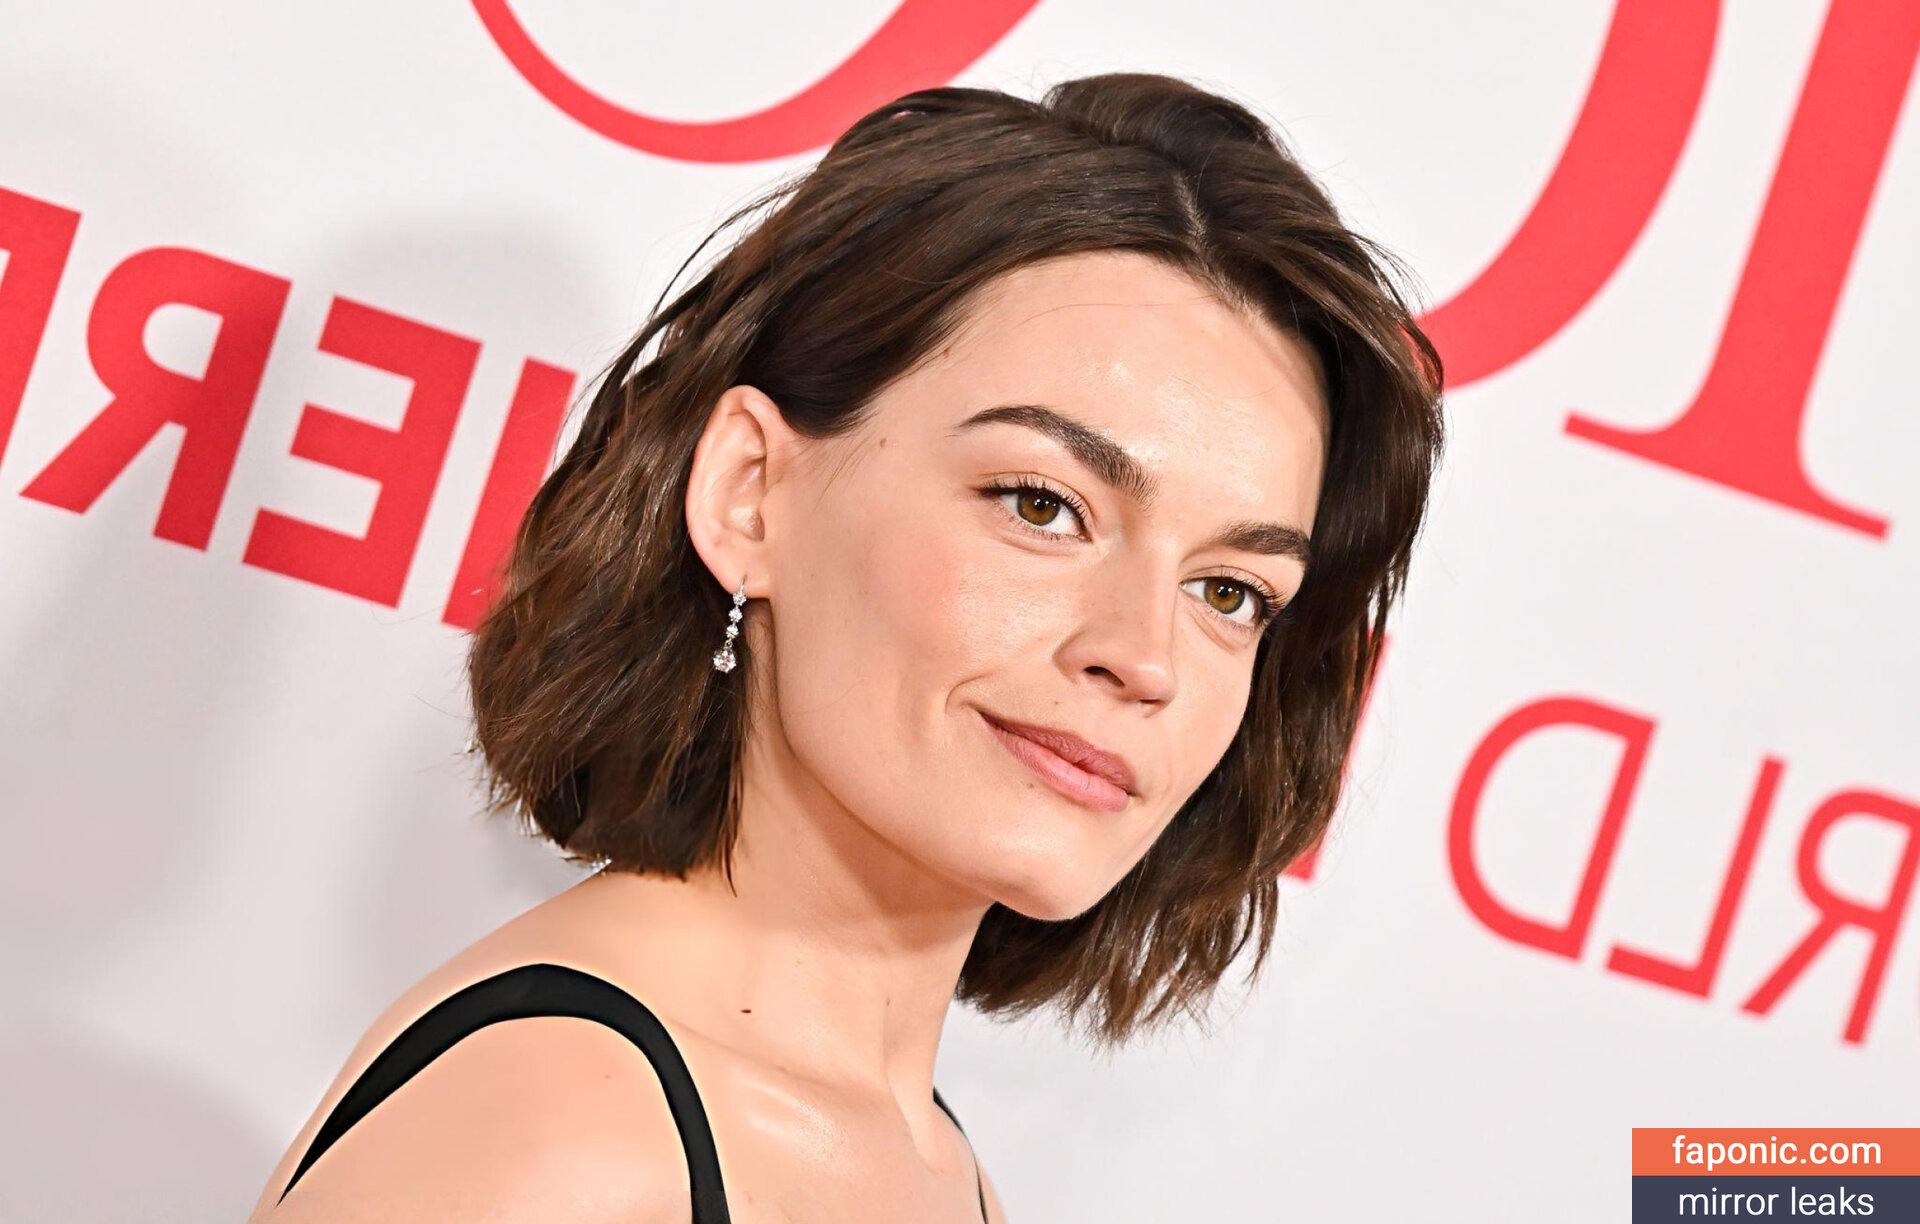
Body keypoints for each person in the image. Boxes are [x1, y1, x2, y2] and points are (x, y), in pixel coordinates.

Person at [246, 71, 1445, 1222]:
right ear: (750, 493)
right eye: (1042, 505)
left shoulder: (929, 1160)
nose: (1147, 658)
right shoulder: (563, 1143)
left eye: (1231, 591)